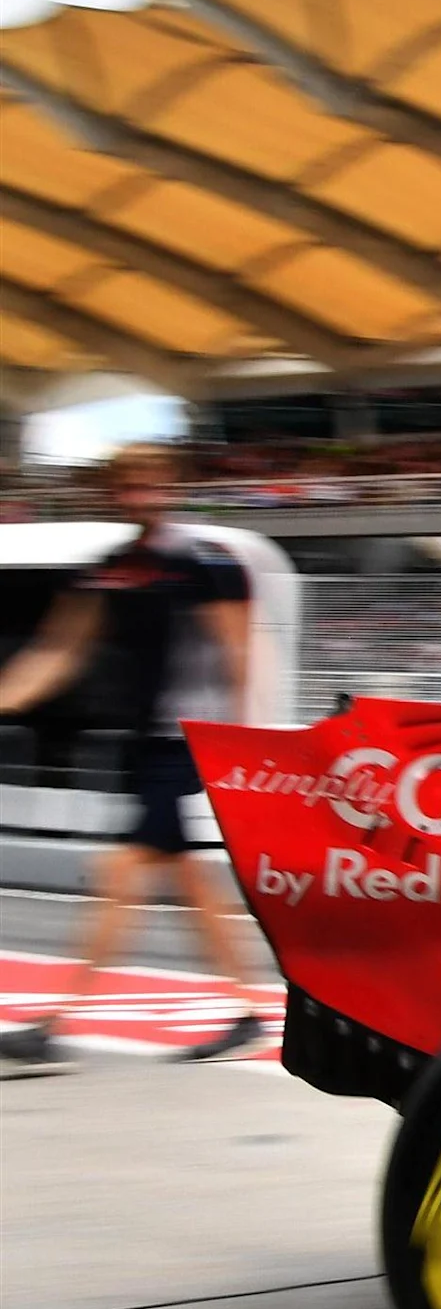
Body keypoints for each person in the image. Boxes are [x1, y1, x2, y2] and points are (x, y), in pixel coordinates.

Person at [0, 447, 265, 1069]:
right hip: (147, 744)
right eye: (126, 484)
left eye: (150, 482)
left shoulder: (206, 565)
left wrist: (236, 748)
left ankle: (55, 1020)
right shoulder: (109, 569)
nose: (139, 493)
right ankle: (248, 1010)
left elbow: (239, 655)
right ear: (113, 493)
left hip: (191, 742)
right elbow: (57, 652)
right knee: (192, 884)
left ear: (170, 487)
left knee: (121, 874)